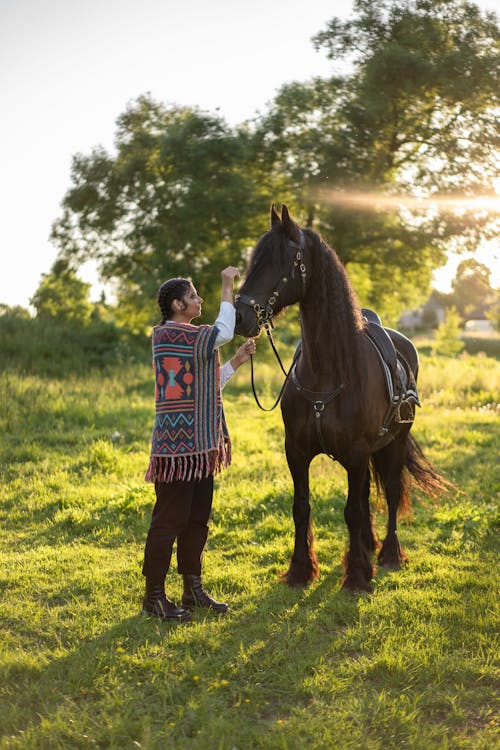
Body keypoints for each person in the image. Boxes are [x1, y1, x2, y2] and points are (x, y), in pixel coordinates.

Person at [142, 266, 255, 622]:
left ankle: (192, 589)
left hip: (202, 448)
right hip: (178, 452)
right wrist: (227, 285)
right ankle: (154, 597)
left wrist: (235, 362)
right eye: (193, 296)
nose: (199, 300)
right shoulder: (172, 335)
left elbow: (206, 386)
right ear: (177, 304)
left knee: (196, 521)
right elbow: (224, 329)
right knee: (168, 522)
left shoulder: (190, 339)